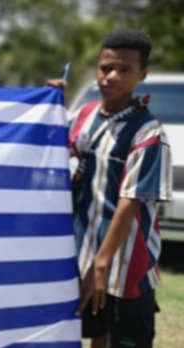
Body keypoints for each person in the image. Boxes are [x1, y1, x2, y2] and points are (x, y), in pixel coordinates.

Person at [47, 29, 171, 348]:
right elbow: (65, 155)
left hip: (125, 266)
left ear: (142, 75)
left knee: (124, 336)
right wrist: (49, 105)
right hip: (82, 252)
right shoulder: (85, 115)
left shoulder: (148, 132)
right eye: (106, 68)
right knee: (94, 332)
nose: (112, 76)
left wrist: (101, 265)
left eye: (125, 70)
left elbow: (130, 201)